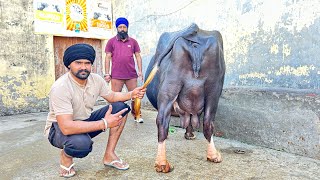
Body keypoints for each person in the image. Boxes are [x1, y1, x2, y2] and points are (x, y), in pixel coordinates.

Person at [44, 43, 146, 178]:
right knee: (81, 145)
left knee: (121, 108)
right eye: (78, 63)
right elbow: (67, 127)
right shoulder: (61, 87)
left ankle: (109, 155)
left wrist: (131, 94)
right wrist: (104, 123)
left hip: (84, 121)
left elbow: (112, 96)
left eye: (87, 63)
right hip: (58, 130)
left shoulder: (96, 79)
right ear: (69, 64)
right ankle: (66, 155)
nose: (83, 67)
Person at [104, 17, 144, 123]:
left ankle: (137, 115)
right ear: (117, 28)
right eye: (120, 27)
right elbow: (107, 57)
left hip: (131, 75)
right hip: (116, 76)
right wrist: (107, 73)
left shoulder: (133, 42)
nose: (122, 29)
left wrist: (140, 71)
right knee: (114, 97)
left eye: (124, 27)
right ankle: (114, 116)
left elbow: (138, 56)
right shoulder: (111, 42)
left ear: (127, 28)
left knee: (136, 97)